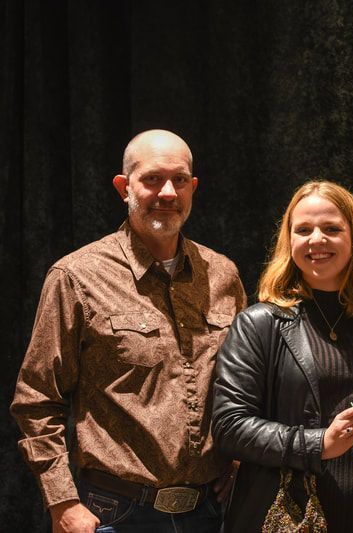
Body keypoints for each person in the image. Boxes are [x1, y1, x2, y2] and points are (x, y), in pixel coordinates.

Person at [10, 129, 247, 533]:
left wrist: (240, 460)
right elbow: (37, 400)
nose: (168, 192)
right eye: (152, 179)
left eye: (180, 180)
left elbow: (244, 384)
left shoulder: (222, 274)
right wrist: (62, 502)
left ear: (193, 187)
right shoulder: (77, 277)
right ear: (125, 187)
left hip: (209, 513)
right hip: (114, 513)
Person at [212, 180, 353, 533]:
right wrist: (319, 444)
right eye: (303, 230)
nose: (317, 239)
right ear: (289, 242)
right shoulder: (259, 323)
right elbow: (230, 428)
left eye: (331, 228)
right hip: (296, 518)